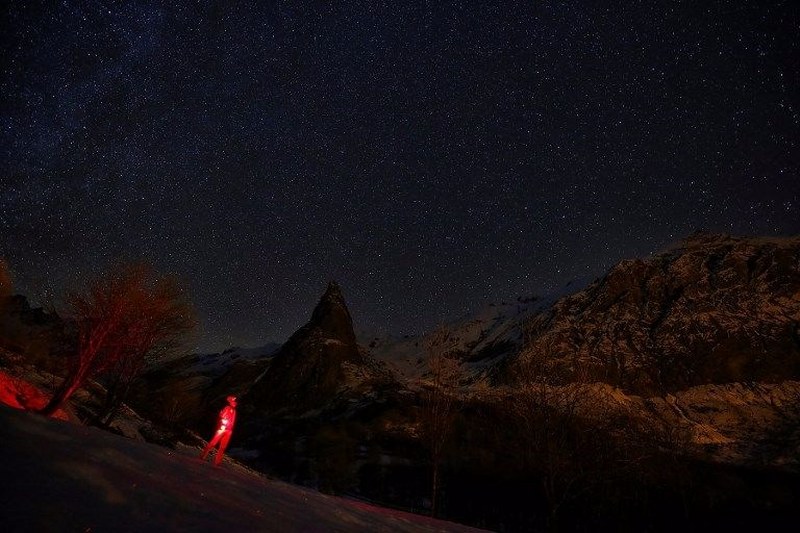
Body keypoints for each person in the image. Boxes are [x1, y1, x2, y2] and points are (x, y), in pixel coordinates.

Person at [200, 395, 237, 466]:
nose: (235, 402)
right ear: (230, 401)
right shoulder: (227, 408)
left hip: (229, 430)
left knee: (222, 447)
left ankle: (217, 462)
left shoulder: (234, 410)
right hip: (223, 428)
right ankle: (203, 455)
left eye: (235, 401)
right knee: (213, 443)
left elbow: (232, 421)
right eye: (234, 401)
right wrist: (223, 424)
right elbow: (221, 416)